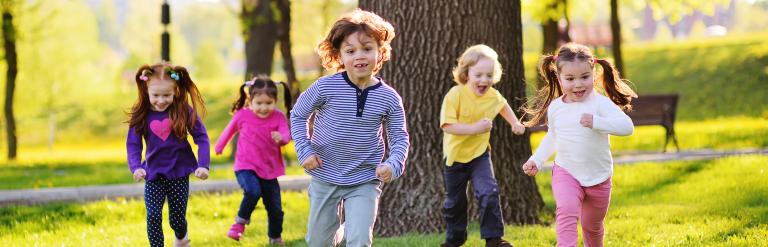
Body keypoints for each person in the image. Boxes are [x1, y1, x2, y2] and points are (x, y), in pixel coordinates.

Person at [290, 9, 410, 247]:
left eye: (367, 48)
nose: (360, 56)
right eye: (350, 50)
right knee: (318, 241)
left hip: (365, 178)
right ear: (339, 56)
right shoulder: (324, 87)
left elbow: (399, 138)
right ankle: (340, 232)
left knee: (360, 240)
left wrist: (393, 164)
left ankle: (353, 229)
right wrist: (305, 151)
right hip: (325, 174)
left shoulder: (389, 98)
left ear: (380, 52)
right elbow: (298, 115)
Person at [521, 43, 637, 247]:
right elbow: (553, 137)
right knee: (566, 211)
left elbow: (627, 127)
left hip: (599, 177)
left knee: (592, 227)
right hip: (567, 172)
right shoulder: (556, 108)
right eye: (570, 79)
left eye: (584, 77)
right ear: (559, 78)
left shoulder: (600, 103)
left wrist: (597, 123)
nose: (578, 84)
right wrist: (536, 160)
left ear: (593, 73)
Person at [439, 44, 525, 247]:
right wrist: (476, 128)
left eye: (489, 75)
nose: (484, 80)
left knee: (488, 192)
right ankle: (454, 240)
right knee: (455, 203)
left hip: (479, 155)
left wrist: (515, 123)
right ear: (466, 73)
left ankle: (494, 240)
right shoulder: (455, 94)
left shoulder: (492, 95)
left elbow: (502, 104)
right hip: (455, 157)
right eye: (478, 74)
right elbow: (448, 126)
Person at [126, 62, 210, 247]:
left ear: (176, 91)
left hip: (178, 174)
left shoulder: (183, 111)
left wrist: (203, 165)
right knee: (153, 215)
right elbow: (133, 144)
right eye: (156, 95)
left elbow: (201, 137)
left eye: (167, 95)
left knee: (176, 219)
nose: (161, 100)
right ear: (146, 90)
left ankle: (181, 235)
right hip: (153, 174)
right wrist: (136, 167)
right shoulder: (141, 114)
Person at [215, 75, 292, 245]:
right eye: (259, 103)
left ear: (275, 101)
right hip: (245, 165)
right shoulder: (242, 115)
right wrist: (219, 146)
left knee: (276, 210)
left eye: (268, 103)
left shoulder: (278, 117)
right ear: (250, 100)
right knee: (252, 190)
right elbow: (229, 131)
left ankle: (275, 237)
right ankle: (239, 223)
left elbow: (286, 135)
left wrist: (282, 138)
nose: (264, 108)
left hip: (269, 170)